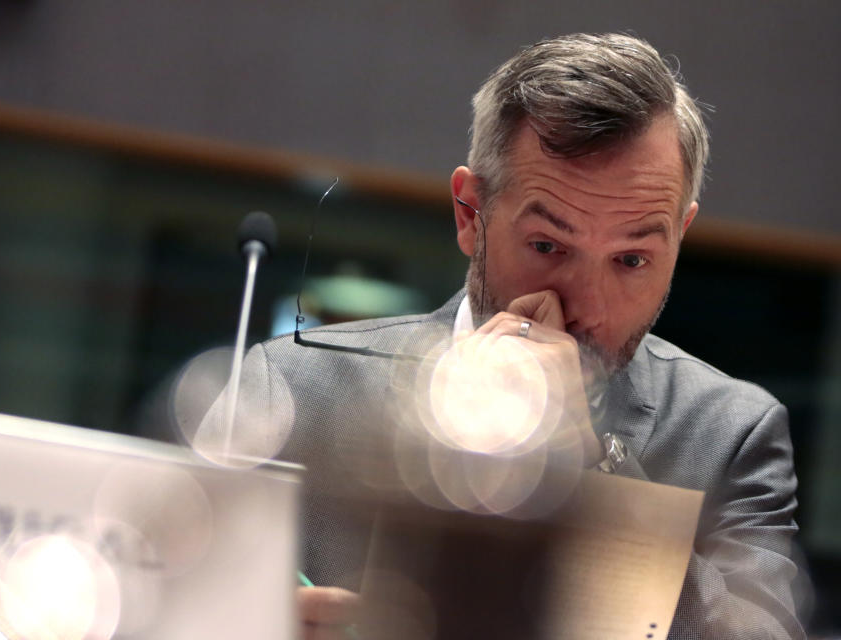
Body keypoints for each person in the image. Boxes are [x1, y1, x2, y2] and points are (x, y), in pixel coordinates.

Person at [175, 33, 803, 639]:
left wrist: (597, 469)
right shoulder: (290, 388)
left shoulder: (729, 434)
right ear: (469, 215)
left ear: (679, 238)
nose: (587, 306)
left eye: (632, 260)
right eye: (547, 245)